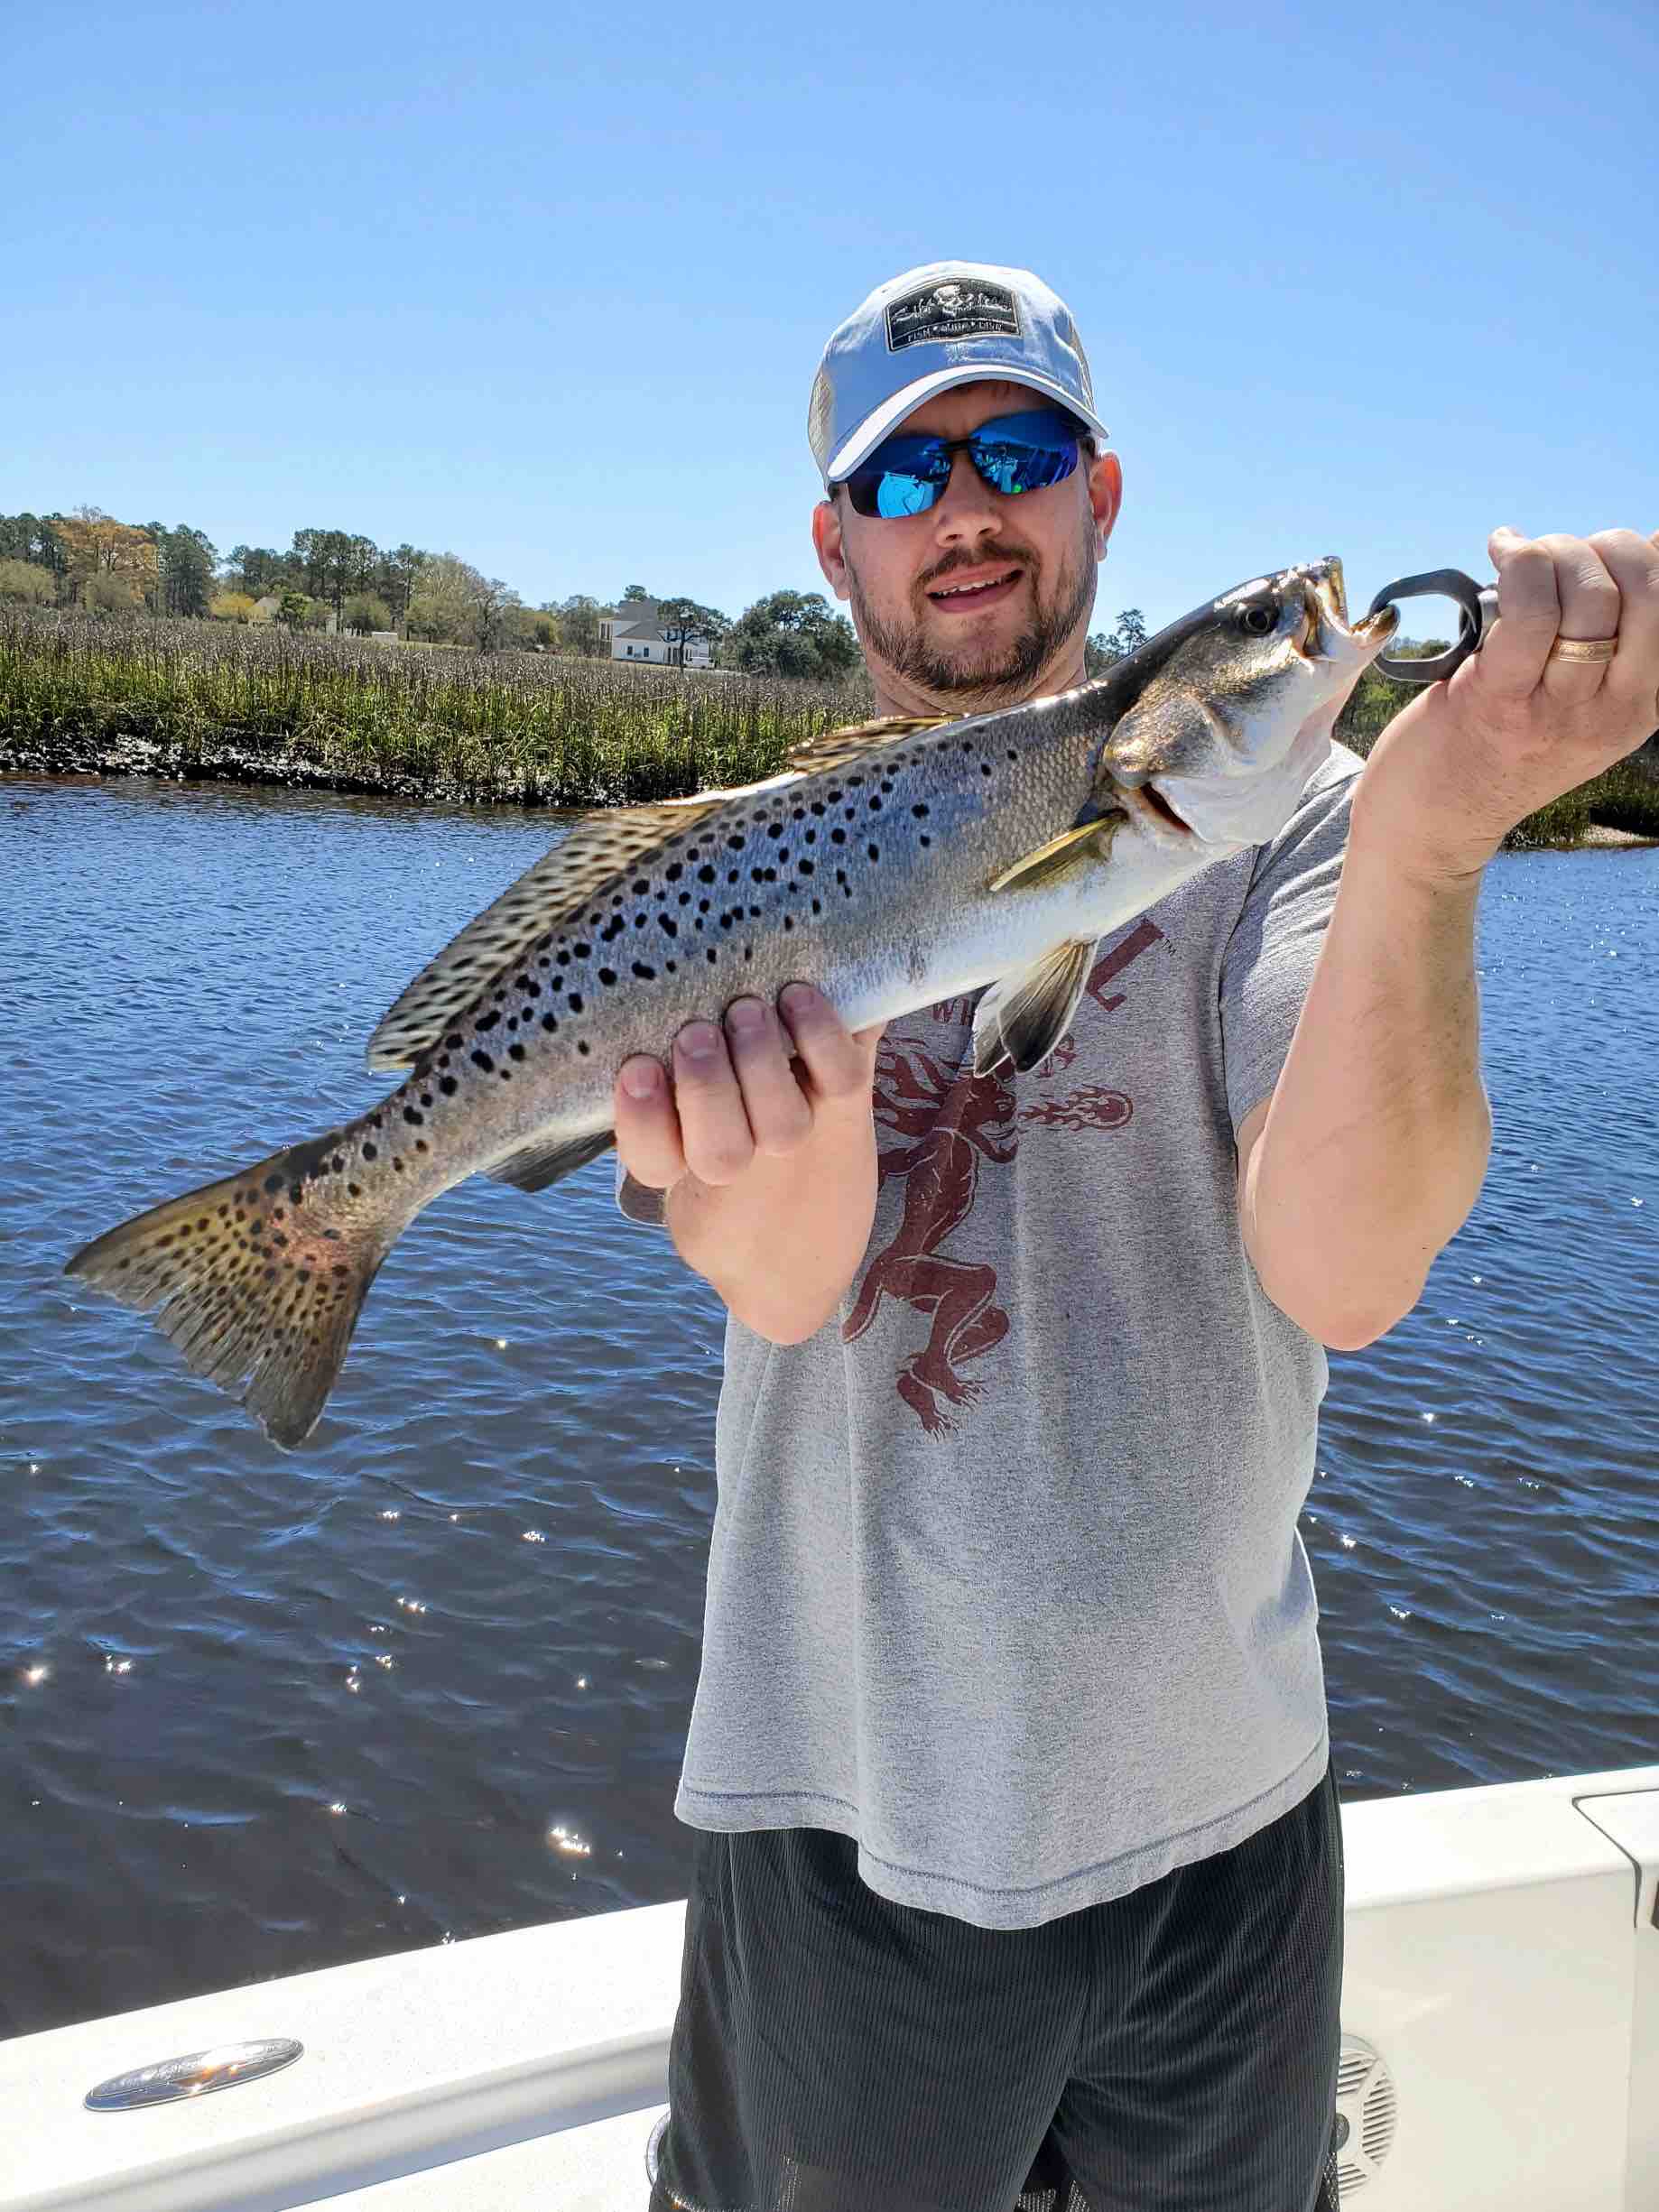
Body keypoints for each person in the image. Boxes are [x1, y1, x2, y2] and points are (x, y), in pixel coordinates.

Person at [610, 261, 1659, 2212]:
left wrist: (1438, 837)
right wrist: (791, 1092)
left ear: (1102, 496)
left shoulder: (1314, 814)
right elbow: (776, 1276)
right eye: (906, 478)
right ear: (834, 540)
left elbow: (1346, 1270)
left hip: (1226, 1814)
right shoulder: (742, 864)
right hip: (848, 1804)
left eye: (1017, 453)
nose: (967, 510)